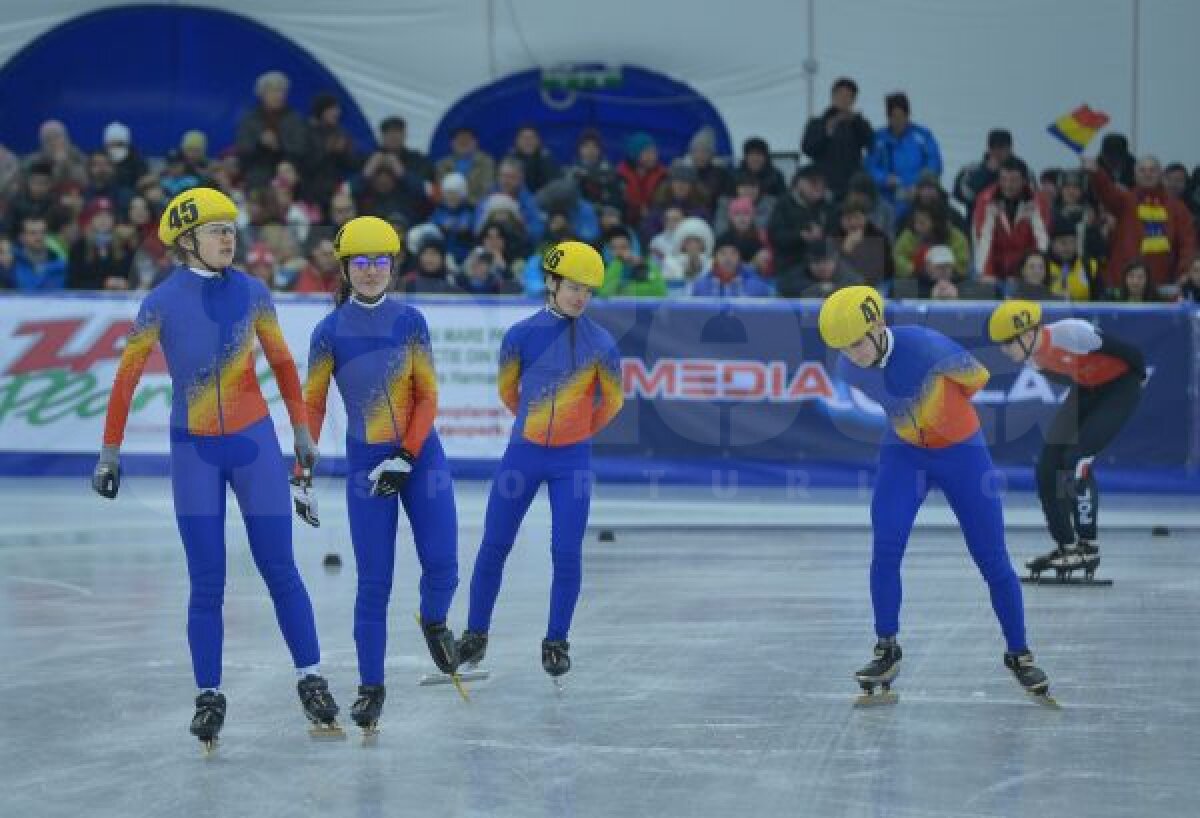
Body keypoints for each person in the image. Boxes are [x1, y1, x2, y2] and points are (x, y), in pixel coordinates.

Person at [91, 187, 340, 751]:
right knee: (207, 582)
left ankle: (313, 678)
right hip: (195, 451)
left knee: (281, 569)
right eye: (217, 229)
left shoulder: (253, 292)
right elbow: (126, 379)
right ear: (186, 241)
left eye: (232, 227)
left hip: (254, 446)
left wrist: (301, 432)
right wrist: (109, 452)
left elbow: (280, 361)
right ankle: (209, 694)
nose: (231, 237)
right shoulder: (160, 302)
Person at [818, 286, 1052, 703]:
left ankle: (1019, 652)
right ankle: (886, 646)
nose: (851, 355)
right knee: (886, 547)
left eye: (855, 343)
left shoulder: (928, 347)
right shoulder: (849, 366)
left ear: (877, 326)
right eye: (842, 347)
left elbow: (976, 380)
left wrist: (940, 419)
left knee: (992, 558)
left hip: (962, 454)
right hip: (904, 454)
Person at [301, 216, 461, 732]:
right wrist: (302, 467)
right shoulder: (328, 333)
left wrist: (408, 456)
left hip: (421, 457)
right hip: (366, 464)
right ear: (345, 269)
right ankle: (371, 688)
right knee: (374, 582)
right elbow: (313, 405)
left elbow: (429, 395)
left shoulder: (410, 321)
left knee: (443, 566)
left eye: (381, 261)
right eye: (361, 262)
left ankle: (434, 620)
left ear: (394, 266)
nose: (372, 271)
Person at [457, 241, 624, 683]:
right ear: (551, 283)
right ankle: (475, 634)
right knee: (495, 545)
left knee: (566, 552)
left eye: (588, 291)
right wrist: (536, 425)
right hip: (524, 454)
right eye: (572, 287)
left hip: (572, 461)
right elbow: (509, 391)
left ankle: (556, 641)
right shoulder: (521, 335)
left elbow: (614, 401)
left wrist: (575, 430)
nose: (580, 297)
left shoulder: (601, 343)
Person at [988, 300, 1144, 581]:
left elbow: (1130, 353)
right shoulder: (1031, 358)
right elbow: (1070, 375)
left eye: (1006, 342)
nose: (1003, 350)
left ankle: (1088, 545)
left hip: (1121, 387)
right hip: (1086, 391)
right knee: (1047, 468)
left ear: (1026, 334)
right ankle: (1066, 545)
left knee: (1075, 461)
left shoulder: (1072, 333)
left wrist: (1137, 379)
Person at [1086, 154, 1195, 291]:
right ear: (1135, 175)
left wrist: (1185, 271)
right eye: (1142, 170)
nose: (1147, 174)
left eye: (1152, 170)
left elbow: (1188, 243)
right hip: (1123, 284)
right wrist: (1096, 173)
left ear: (1161, 175)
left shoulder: (1177, 208)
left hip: (1163, 285)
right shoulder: (1124, 201)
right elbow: (1107, 192)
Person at [864, 92, 943, 222]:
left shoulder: (923, 136)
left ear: (908, 115)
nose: (898, 121)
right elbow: (870, 167)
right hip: (886, 200)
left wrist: (919, 186)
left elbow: (935, 164)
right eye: (893, 116)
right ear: (888, 117)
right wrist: (884, 179)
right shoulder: (878, 138)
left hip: (918, 199)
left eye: (902, 116)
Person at [802, 77, 874, 200]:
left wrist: (857, 122)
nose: (844, 100)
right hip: (824, 186)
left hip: (851, 187)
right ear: (833, 96)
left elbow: (871, 144)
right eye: (840, 95)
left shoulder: (859, 123)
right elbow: (807, 149)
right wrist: (826, 133)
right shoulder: (817, 123)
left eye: (849, 97)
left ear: (853, 100)